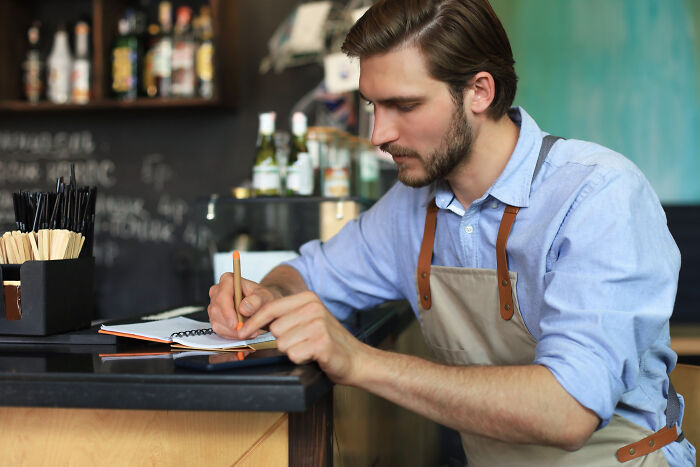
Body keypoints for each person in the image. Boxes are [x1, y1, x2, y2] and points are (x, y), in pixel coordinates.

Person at [208, 0, 696, 465]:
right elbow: (306, 273)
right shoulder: (410, 208)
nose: (378, 134)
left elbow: (568, 411)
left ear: (479, 92)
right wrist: (263, 295)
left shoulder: (599, 196)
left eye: (404, 105)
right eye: (374, 105)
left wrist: (359, 362)